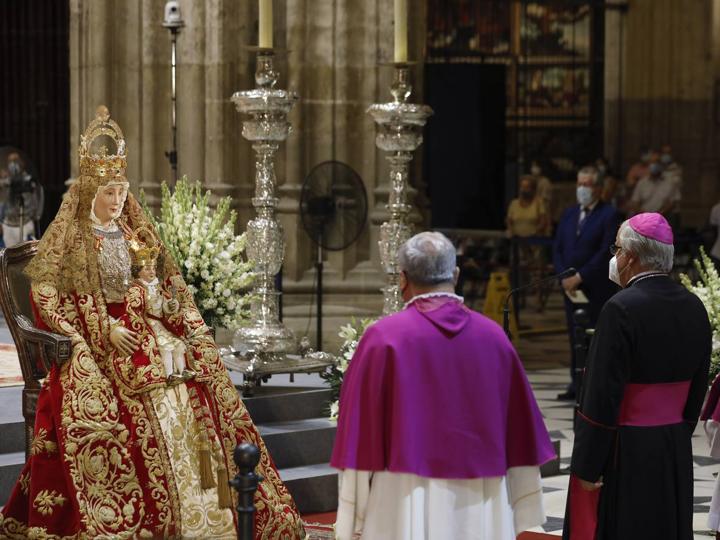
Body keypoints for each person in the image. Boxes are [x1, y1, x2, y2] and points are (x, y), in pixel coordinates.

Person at [0, 107, 305, 539]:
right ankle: (145, 515)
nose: (119, 200)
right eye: (110, 192)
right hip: (100, 337)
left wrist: (165, 307)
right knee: (125, 394)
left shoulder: (133, 234)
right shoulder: (70, 241)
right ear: (91, 192)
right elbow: (47, 299)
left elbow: (156, 283)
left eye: (122, 191)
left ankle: (209, 512)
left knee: (193, 377)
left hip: (145, 327)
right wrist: (101, 330)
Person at [331, 231, 555, 540]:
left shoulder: (385, 337)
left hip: (403, 489)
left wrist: (353, 511)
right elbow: (519, 425)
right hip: (480, 490)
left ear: (403, 279)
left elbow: (359, 427)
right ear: (456, 275)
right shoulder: (493, 337)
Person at [562, 213, 711, 540]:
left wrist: (587, 466)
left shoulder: (621, 308)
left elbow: (602, 394)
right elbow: (699, 385)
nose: (614, 257)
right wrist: (678, 432)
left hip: (626, 448)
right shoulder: (693, 306)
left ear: (630, 256)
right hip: (673, 443)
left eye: (616, 248)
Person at [553, 166, 620, 400]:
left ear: (599, 188)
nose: (582, 189)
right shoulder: (570, 213)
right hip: (570, 287)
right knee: (574, 334)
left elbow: (604, 252)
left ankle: (593, 387)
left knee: (593, 335)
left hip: (594, 286)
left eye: (587, 184)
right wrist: (564, 276)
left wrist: (580, 277)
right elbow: (558, 247)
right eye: (579, 184)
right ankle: (576, 383)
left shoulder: (608, 214)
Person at [118, 227, 195, 386]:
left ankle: (182, 371)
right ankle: (169, 374)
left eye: (153, 268)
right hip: (149, 325)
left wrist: (170, 306)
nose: (152, 271)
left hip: (161, 324)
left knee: (177, 345)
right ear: (138, 271)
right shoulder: (136, 289)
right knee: (165, 347)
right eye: (147, 268)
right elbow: (133, 311)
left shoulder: (158, 287)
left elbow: (164, 307)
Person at [0, 151, 44, 247]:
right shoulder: (8, 181)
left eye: (15, 160)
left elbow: (38, 199)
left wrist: (36, 216)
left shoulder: (29, 181)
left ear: (21, 163)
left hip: (26, 222)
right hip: (9, 223)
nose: (13, 164)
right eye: (10, 161)